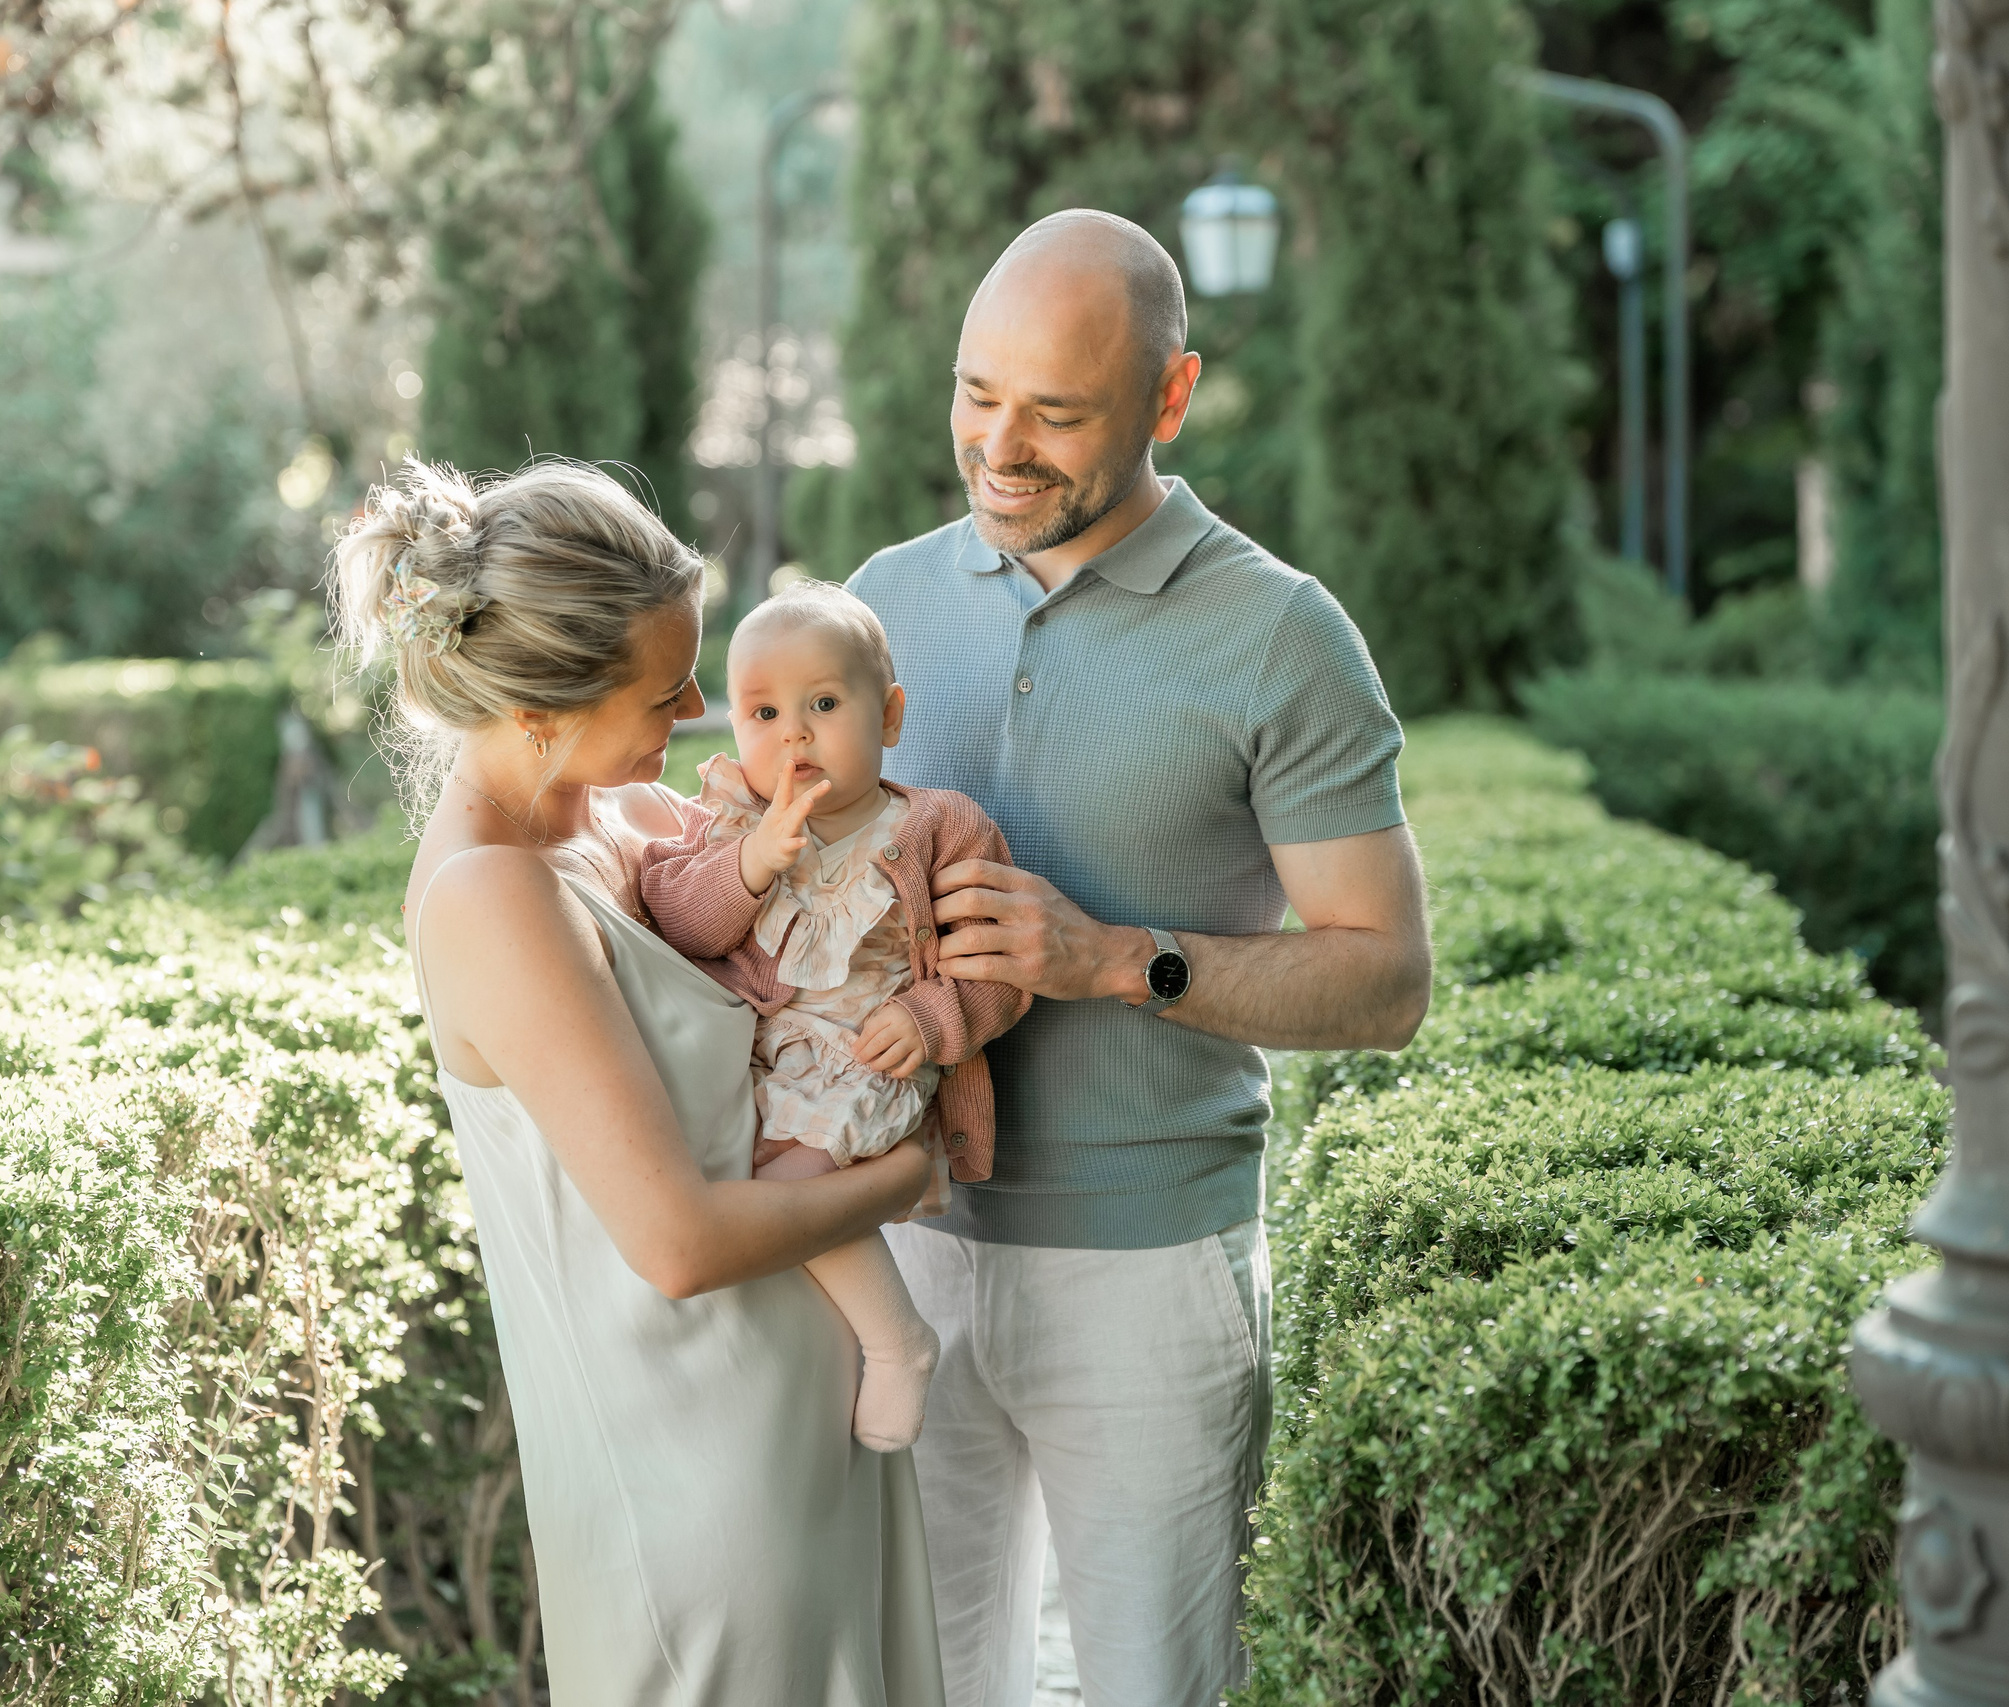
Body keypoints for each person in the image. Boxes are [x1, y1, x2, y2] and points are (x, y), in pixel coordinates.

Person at [849, 210, 1434, 1706]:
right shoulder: (883, 604)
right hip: (898, 1245)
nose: (1001, 444)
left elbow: (1385, 979)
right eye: (979, 393)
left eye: (1058, 411)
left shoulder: (1284, 636)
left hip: (1149, 1271)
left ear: (1172, 399)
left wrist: (1119, 959)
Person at [341, 457, 947, 1704]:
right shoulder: (494, 897)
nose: (694, 720)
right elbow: (675, 1241)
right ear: (539, 710)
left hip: (808, 1435)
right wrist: (907, 1174)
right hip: (696, 1491)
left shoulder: (613, 819)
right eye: (665, 694)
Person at [638, 580, 1031, 1452]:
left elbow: (1002, 974)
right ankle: (799, 1360)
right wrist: (750, 863)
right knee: (738, 1189)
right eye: (764, 712)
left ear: (889, 715)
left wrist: (931, 1018)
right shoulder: (734, 820)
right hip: (763, 1064)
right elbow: (681, 922)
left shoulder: (939, 828)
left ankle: (896, 1341)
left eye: (823, 702)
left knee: (770, 1201)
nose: (794, 733)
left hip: (870, 1059)